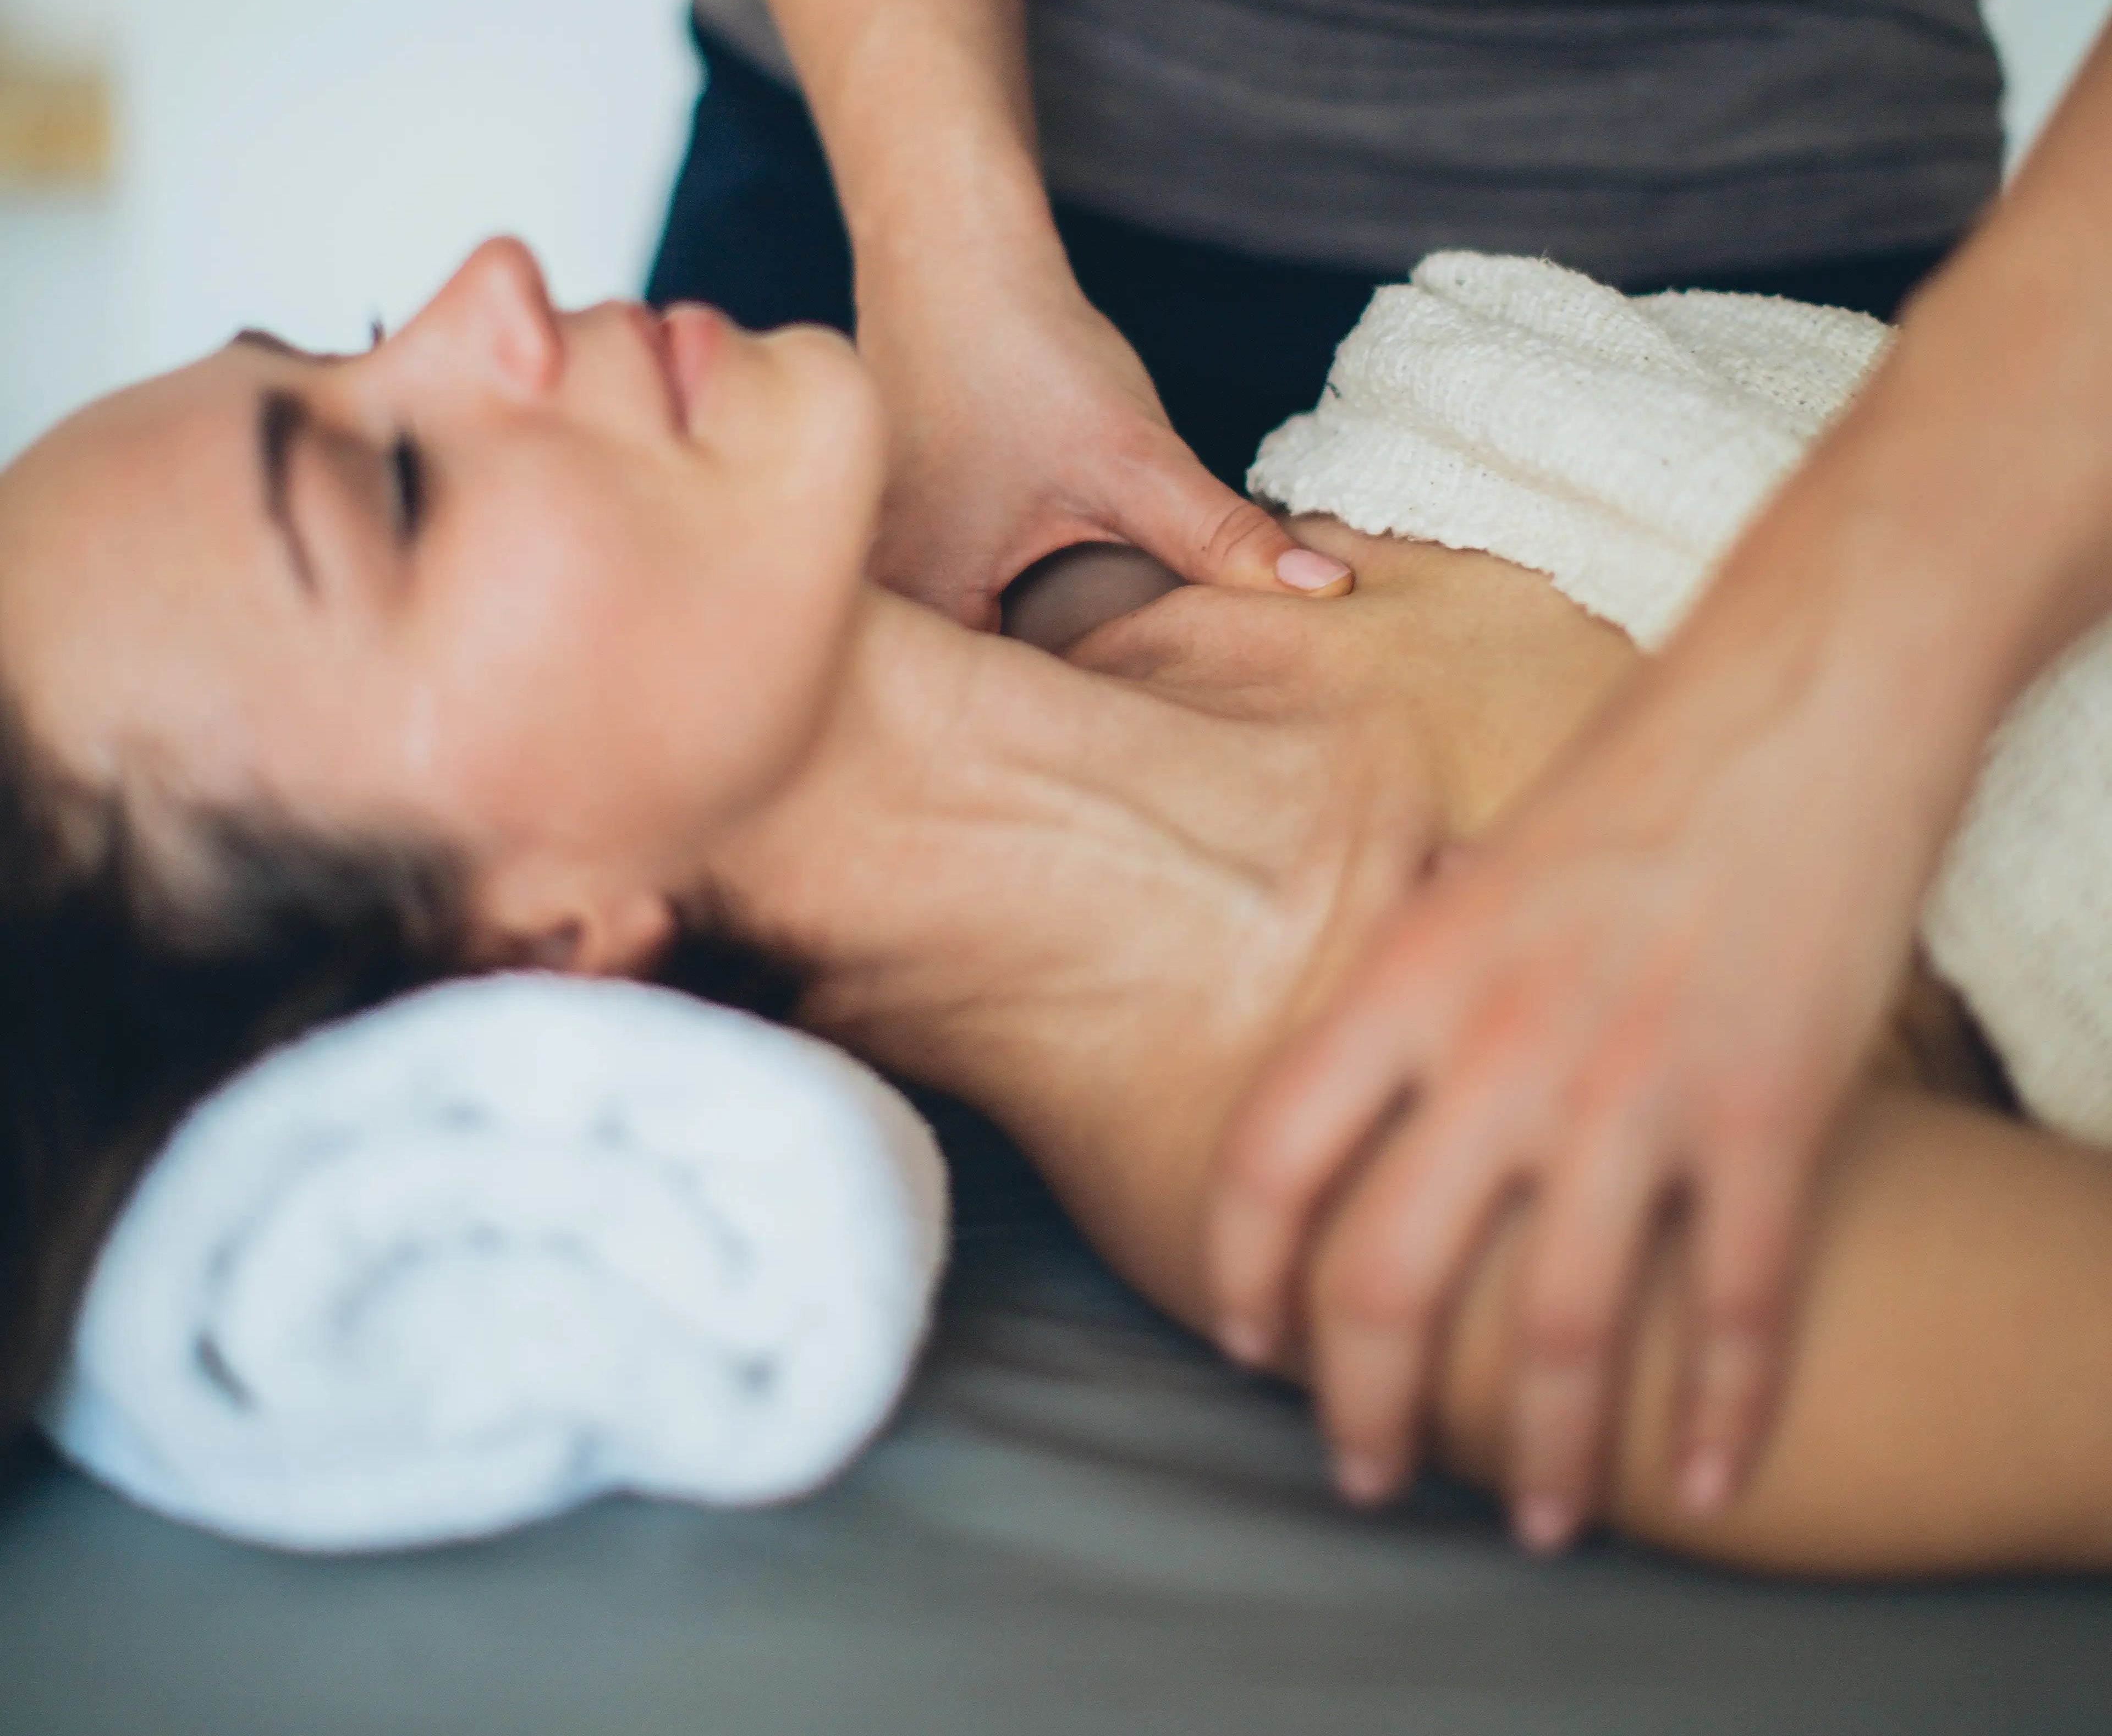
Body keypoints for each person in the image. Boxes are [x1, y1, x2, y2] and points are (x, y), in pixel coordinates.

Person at [624, 0, 2112, 1535]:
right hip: (930, 233)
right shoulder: (1207, 1002)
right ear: (529, 933)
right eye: (347, 456)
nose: (477, 292)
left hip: (1763, 242)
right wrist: (953, 250)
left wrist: (1818, 735)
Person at [6, 235, 2112, 1577]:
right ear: (529, 959)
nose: (484, 279)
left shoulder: (1297, 481)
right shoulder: (1456, 1213)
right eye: (390, 489)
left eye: (362, 345)